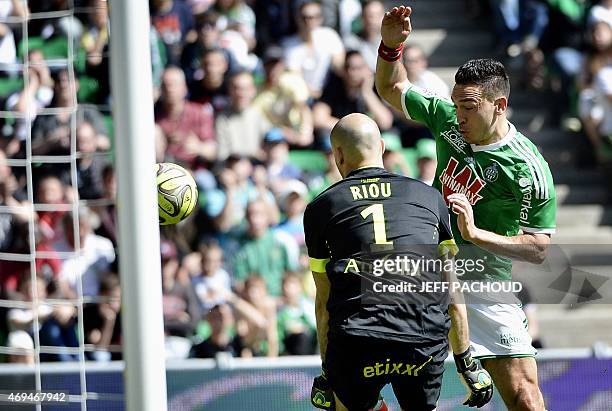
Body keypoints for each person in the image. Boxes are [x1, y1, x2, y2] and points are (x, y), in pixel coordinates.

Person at [375, 6, 556, 411]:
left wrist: (475, 235)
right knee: (371, 381)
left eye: (469, 107)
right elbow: (391, 88)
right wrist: (391, 45)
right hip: (425, 272)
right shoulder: (448, 121)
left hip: (484, 282)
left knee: (525, 395)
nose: (459, 114)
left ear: (499, 104)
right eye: (456, 104)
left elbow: (539, 248)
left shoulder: (528, 169)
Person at [304, 113, 492, 410]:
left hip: (358, 340)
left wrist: (329, 373)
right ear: (381, 146)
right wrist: (466, 363)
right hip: (422, 338)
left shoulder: (321, 207)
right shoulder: (429, 197)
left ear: (338, 154)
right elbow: (452, 290)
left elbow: (323, 300)